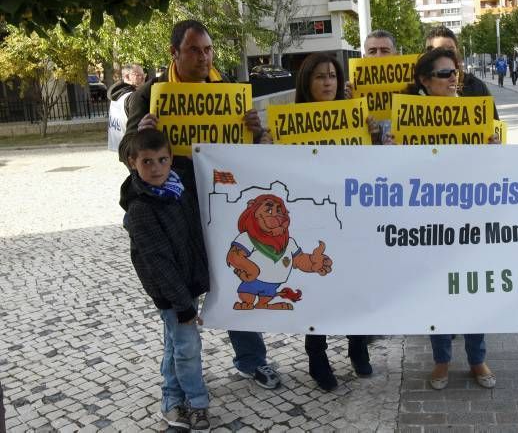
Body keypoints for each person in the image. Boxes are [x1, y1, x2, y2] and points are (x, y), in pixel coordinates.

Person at [118, 20, 283, 392]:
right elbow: (125, 153)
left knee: (237, 272)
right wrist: (139, 133)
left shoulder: (226, 91)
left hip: (220, 202)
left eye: (208, 49)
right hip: (172, 208)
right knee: (178, 290)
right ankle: (178, 384)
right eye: (195, 50)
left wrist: (254, 131)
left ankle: (251, 360)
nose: (204, 57)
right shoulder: (148, 95)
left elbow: (244, 152)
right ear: (174, 53)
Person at [389, 47, 497, 391]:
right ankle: (442, 360)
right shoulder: (405, 119)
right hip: (428, 219)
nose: (453, 79)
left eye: (455, 73)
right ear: (424, 81)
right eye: (445, 74)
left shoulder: (472, 113)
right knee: (438, 290)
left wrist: (493, 149)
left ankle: (478, 359)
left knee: (473, 290)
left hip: (469, 215)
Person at [293, 53, 376, 391]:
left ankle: (357, 347)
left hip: (352, 216)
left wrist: (372, 134)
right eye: (320, 76)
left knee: (354, 283)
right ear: (307, 83)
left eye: (332, 76)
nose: (328, 82)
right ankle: (317, 355)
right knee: (315, 288)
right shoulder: (290, 122)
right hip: (312, 219)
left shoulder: (355, 117)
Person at [120, 129, 211, 432]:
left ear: (171, 158)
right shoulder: (141, 209)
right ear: (132, 162)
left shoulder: (178, 187)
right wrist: (184, 306)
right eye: (147, 162)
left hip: (188, 285)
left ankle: (171, 399)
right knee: (187, 347)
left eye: (162, 160)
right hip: (173, 294)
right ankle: (197, 403)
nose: (156, 168)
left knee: (175, 343)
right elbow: (159, 265)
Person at [424, 26, 499, 120]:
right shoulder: (416, 91)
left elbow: (494, 127)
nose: (448, 55)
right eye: (439, 51)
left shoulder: (476, 87)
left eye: (451, 50)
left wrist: (494, 134)